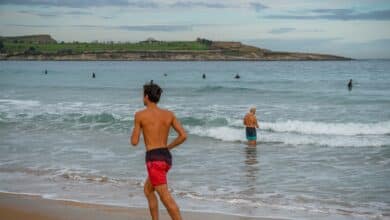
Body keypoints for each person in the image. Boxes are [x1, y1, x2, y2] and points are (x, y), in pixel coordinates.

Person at [130, 82, 187, 220]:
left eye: (142, 96)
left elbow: (134, 142)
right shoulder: (169, 114)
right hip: (165, 157)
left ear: (147, 97)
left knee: (165, 197)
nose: (142, 98)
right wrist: (168, 147)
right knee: (148, 190)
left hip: (154, 159)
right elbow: (183, 136)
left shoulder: (140, 115)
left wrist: (137, 126)